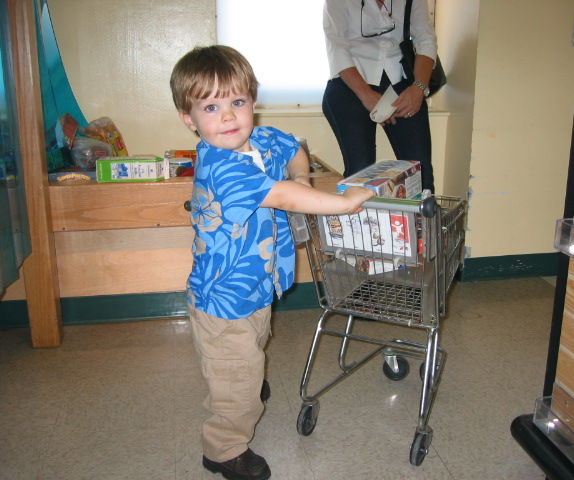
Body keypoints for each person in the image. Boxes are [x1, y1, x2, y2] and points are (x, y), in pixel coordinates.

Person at [169, 45, 374, 480]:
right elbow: (282, 196)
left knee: (251, 348)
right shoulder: (221, 167)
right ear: (189, 119)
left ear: (253, 101)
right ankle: (223, 449)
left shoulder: (260, 140)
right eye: (211, 107)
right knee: (235, 372)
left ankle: (242, 382)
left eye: (237, 101)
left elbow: (293, 146)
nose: (228, 116)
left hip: (256, 286)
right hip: (223, 299)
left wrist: (301, 174)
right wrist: (343, 202)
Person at [322, 0, 438, 193]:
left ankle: (421, 213)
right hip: (351, 82)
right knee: (360, 172)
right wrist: (365, 94)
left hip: (402, 80)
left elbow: (425, 39)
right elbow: (336, 46)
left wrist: (419, 88)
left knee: (420, 172)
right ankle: (359, 212)